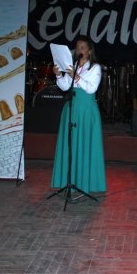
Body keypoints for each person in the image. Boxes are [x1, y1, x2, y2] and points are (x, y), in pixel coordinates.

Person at [51, 37, 107, 194]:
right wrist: (59, 75)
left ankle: (85, 182)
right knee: (71, 145)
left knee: (84, 145)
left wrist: (75, 76)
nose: (79, 50)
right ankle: (70, 181)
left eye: (83, 47)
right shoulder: (73, 66)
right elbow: (65, 87)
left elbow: (91, 88)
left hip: (86, 110)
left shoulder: (95, 68)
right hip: (72, 108)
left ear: (89, 51)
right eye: (77, 47)